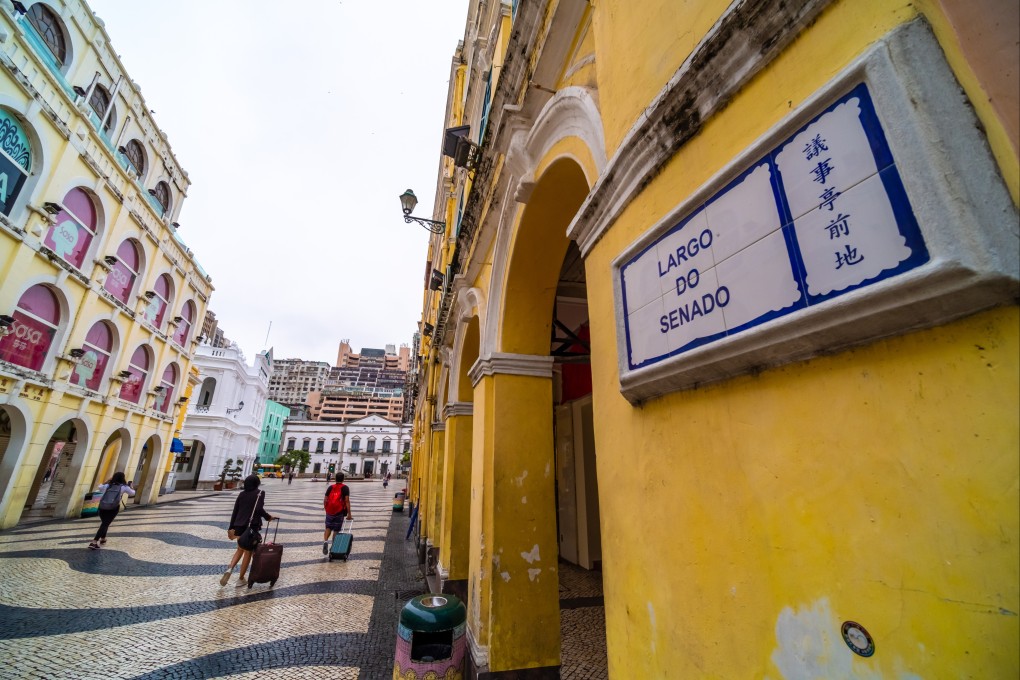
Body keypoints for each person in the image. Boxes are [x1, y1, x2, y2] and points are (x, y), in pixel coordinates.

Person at [220, 474, 274, 587]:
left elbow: (235, 510)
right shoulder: (259, 493)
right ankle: (240, 578)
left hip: (239, 526)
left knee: (239, 549)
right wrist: (268, 517)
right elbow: (259, 509)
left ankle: (229, 569)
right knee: (248, 552)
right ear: (256, 483)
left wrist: (231, 527)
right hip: (251, 527)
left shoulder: (242, 494)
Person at [88, 472, 135, 550]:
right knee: (105, 523)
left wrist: (108, 481)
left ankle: (103, 539)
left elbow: (100, 486)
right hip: (113, 507)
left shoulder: (107, 485)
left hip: (102, 506)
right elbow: (132, 493)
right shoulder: (124, 487)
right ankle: (94, 542)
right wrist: (131, 486)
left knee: (105, 523)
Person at [322, 472, 353, 555]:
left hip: (329, 511)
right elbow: (347, 501)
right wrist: (349, 514)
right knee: (336, 529)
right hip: (339, 512)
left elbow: (325, 499)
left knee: (328, 527)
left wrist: (326, 509)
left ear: (335, 478)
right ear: (343, 479)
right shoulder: (345, 488)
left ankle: (325, 542)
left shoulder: (330, 487)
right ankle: (333, 546)